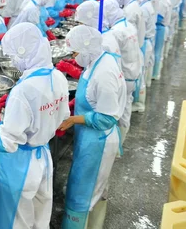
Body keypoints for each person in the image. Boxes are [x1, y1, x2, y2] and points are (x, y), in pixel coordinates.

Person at [0, 23, 69, 229]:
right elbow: (62, 118)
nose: (13, 61)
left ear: (24, 52)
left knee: (15, 222)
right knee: (39, 221)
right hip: (43, 160)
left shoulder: (23, 90)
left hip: (20, 167)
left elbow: (8, 142)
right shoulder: (57, 76)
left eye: (14, 55)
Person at [58, 25, 127, 229]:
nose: (74, 56)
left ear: (86, 49)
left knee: (82, 192)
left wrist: (72, 119)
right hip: (89, 137)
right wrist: (74, 105)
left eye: (75, 52)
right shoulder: (99, 60)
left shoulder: (104, 73)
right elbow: (92, 96)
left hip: (98, 142)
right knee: (92, 190)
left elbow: (106, 118)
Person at [102, 0, 142, 146]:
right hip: (133, 72)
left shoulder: (116, 32)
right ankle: (121, 141)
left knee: (117, 111)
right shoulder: (128, 25)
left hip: (124, 74)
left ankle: (117, 144)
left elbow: (111, 56)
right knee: (126, 108)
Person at [152, 0, 172, 80]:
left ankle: (154, 74)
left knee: (156, 52)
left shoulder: (162, 3)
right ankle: (156, 73)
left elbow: (159, 18)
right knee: (158, 52)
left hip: (160, 28)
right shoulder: (166, 0)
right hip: (164, 28)